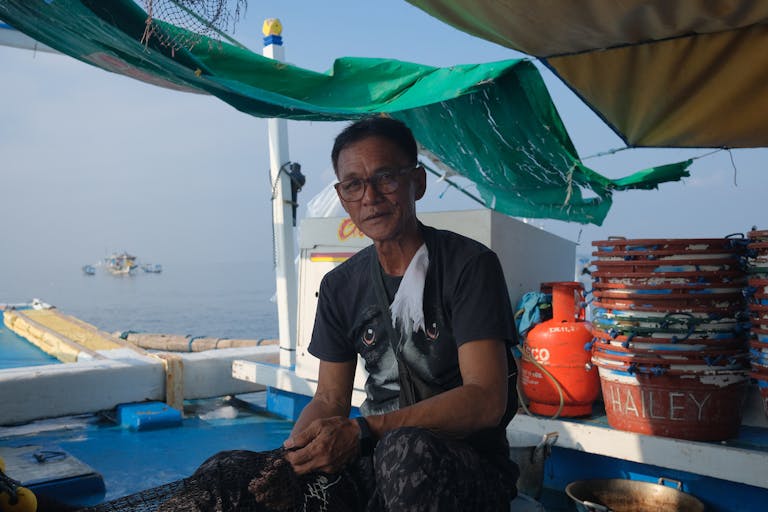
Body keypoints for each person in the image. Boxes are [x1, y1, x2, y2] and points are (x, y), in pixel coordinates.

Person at [156, 116, 520, 512]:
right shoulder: (340, 286)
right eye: (354, 185)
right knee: (225, 474)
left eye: (385, 178)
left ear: (418, 182)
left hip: (466, 468)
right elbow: (330, 398)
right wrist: (290, 462)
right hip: (372, 459)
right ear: (342, 196)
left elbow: (486, 400)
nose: (370, 197)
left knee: (407, 448)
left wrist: (364, 430)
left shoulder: (469, 265)